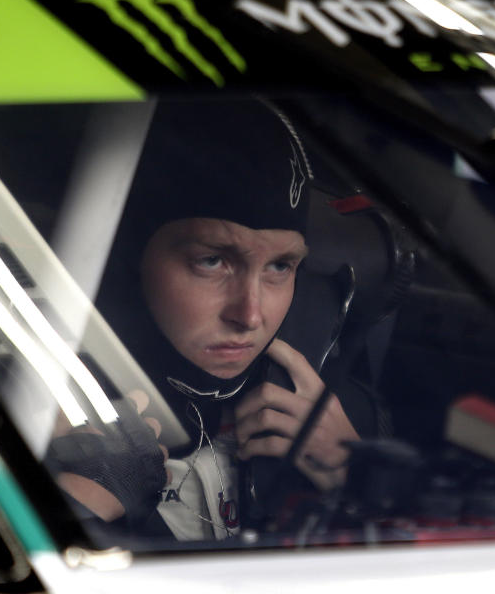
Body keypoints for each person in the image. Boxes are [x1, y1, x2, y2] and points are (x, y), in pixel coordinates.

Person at [46, 98, 372, 541]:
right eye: (211, 261)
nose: (251, 315)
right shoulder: (26, 400)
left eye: (280, 266)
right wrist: (80, 503)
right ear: (129, 257)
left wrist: (353, 480)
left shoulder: (327, 410)